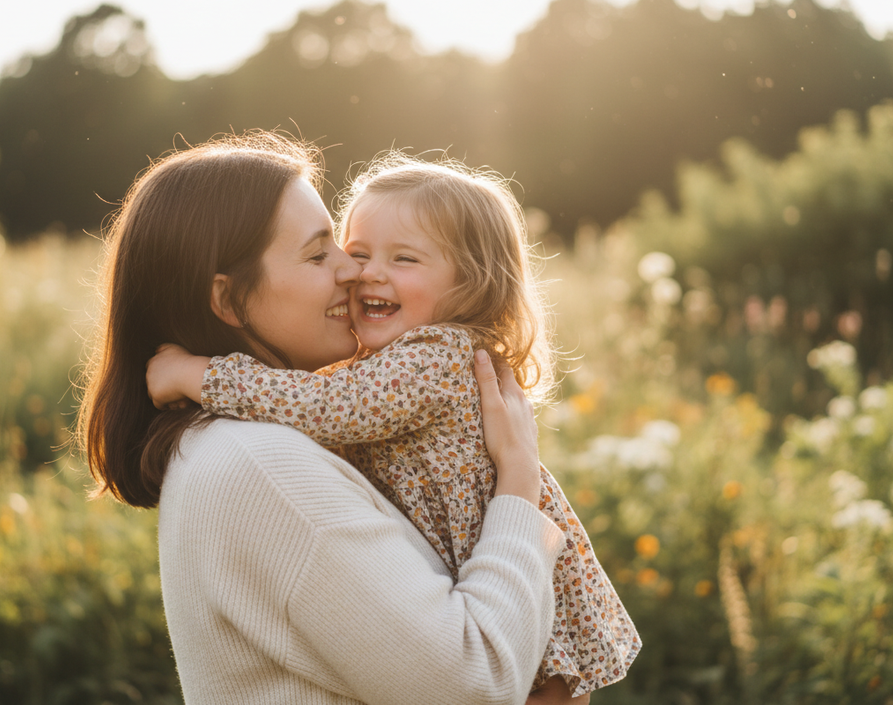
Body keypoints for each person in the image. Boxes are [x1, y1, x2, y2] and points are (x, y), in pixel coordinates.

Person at [78, 132, 576, 704]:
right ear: (230, 301)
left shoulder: (243, 446)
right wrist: (518, 483)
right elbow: (474, 686)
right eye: (321, 254)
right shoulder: (262, 468)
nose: (353, 271)